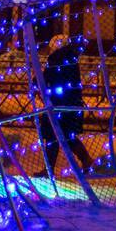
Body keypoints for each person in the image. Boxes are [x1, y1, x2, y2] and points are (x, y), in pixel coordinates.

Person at [38, 34, 93, 176]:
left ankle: (49, 169)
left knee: (53, 136)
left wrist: (37, 82)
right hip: (70, 103)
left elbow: (47, 77)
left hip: (57, 103)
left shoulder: (56, 59)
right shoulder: (71, 58)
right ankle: (86, 160)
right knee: (67, 136)